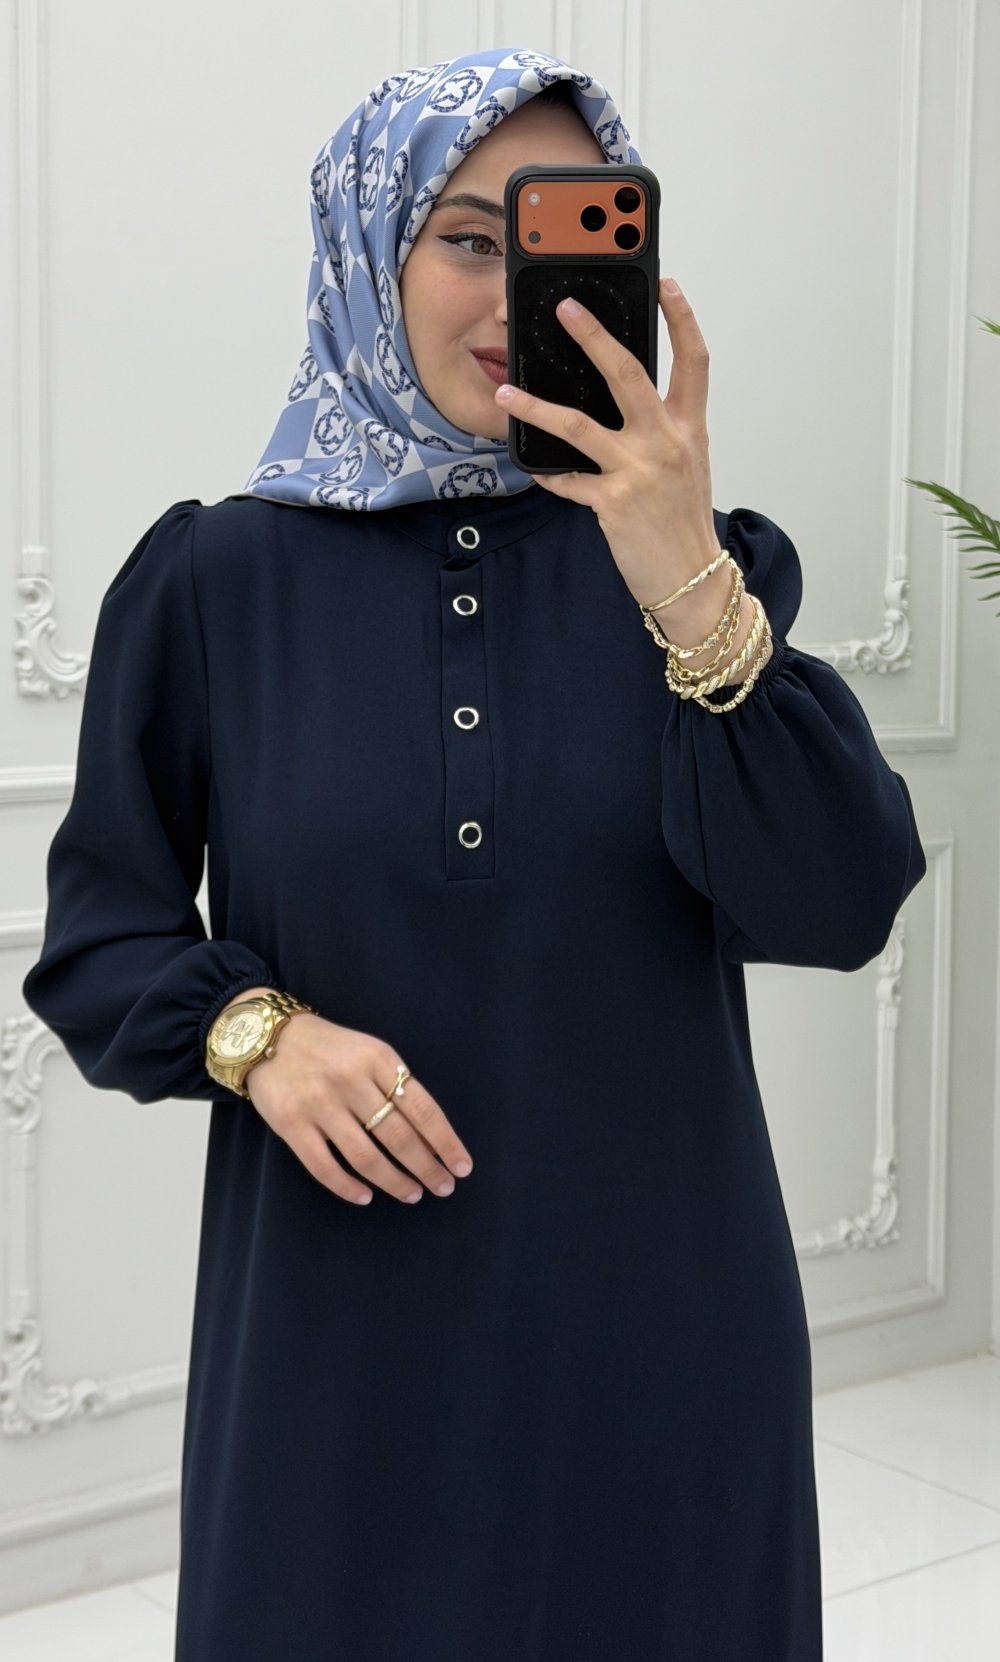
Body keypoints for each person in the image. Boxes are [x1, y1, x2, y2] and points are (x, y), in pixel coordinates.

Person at [21, 44, 927, 1661]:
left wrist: (682, 573)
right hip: (337, 1362)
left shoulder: (698, 574)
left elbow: (843, 899)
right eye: (464, 237)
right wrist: (259, 1035)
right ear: (370, 247)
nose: (516, 291)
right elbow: (102, 941)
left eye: (563, 235)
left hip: (666, 1350)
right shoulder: (216, 583)